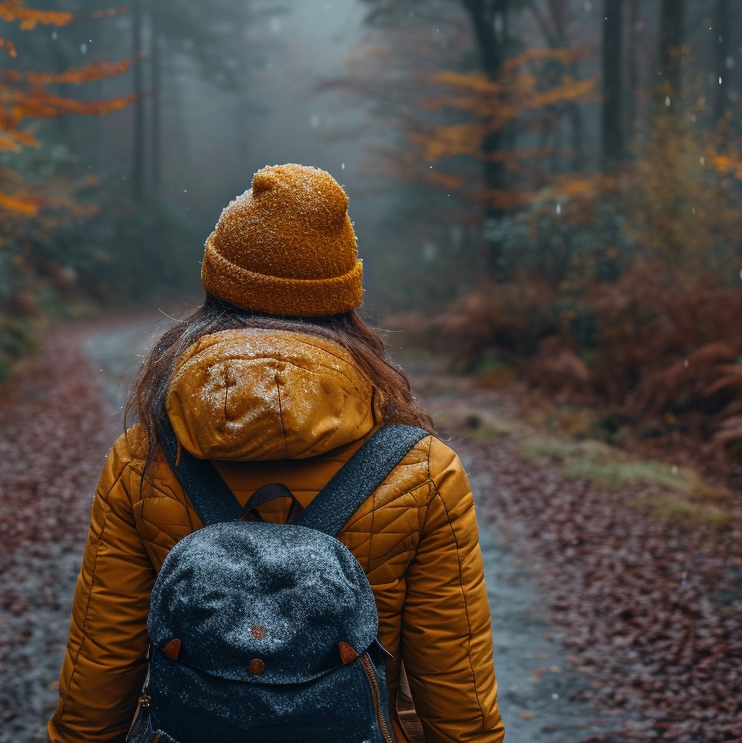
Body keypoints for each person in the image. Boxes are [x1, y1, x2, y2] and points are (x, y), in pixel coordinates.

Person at [48, 164, 505, 743]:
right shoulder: (424, 471)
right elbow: (456, 694)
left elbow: (100, 672)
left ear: (215, 291)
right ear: (345, 303)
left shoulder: (144, 459)